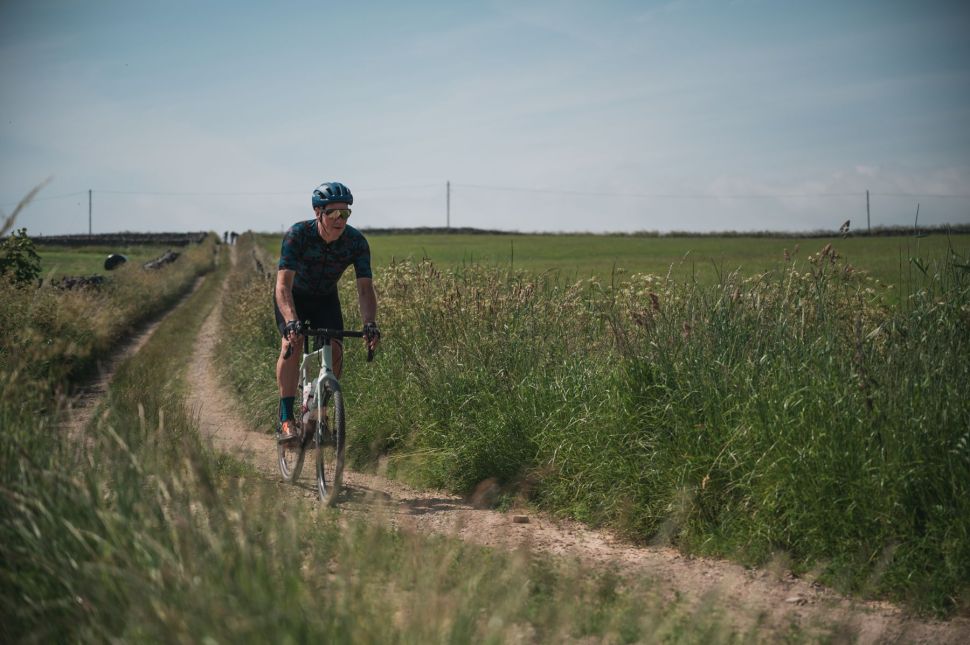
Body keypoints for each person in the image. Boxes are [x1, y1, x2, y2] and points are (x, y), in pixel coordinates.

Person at [274, 181, 380, 442]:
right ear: (318, 212)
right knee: (292, 343)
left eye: (345, 213)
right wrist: (291, 321)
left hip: (325, 299)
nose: (339, 219)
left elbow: (365, 289)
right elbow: (283, 285)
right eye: (333, 213)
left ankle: (318, 412)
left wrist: (370, 323)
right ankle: (286, 419)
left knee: (336, 348)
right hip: (294, 297)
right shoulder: (298, 235)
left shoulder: (356, 242)